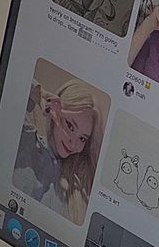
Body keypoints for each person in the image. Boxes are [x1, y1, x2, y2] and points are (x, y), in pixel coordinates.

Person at [13, 77, 105, 225]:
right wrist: (39, 93)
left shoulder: (77, 182)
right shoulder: (25, 137)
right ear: (55, 109)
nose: (73, 142)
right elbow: (6, 77)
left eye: (82, 138)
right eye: (70, 125)